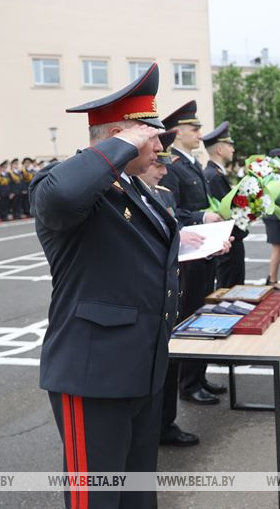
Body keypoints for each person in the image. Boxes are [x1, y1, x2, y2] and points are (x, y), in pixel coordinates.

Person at [31, 63, 181, 508]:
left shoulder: (132, 188)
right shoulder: (64, 184)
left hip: (142, 367)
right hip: (94, 374)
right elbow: (61, 196)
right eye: (151, 137)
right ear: (120, 136)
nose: (160, 148)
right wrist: (125, 142)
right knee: (95, 499)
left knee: (136, 496)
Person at [137, 130, 207, 448]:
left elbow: (174, 230)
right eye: (158, 164)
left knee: (167, 362)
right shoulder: (131, 198)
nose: (164, 171)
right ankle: (154, 427)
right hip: (147, 296)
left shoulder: (163, 195)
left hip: (168, 293)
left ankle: (166, 423)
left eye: (165, 165)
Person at [159, 101, 228, 405]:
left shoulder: (191, 163)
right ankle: (187, 383)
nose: (200, 133)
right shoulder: (172, 166)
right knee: (188, 316)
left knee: (202, 313)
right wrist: (202, 217)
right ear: (177, 132)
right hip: (189, 253)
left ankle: (198, 375)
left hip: (204, 249)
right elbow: (172, 212)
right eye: (194, 128)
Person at [201, 122, 246, 289]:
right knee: (229, 291)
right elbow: (225, 213)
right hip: (229, 244)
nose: (233, 149)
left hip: (228, 243)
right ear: (219, 150)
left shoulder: (214, 173)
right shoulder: (214, 176)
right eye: (229, 145)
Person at [262, 147, 280, 287]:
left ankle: (273, 278)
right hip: (273, 215)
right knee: (278, 247)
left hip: (279, 214)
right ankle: (272, 280)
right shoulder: (269, 174)